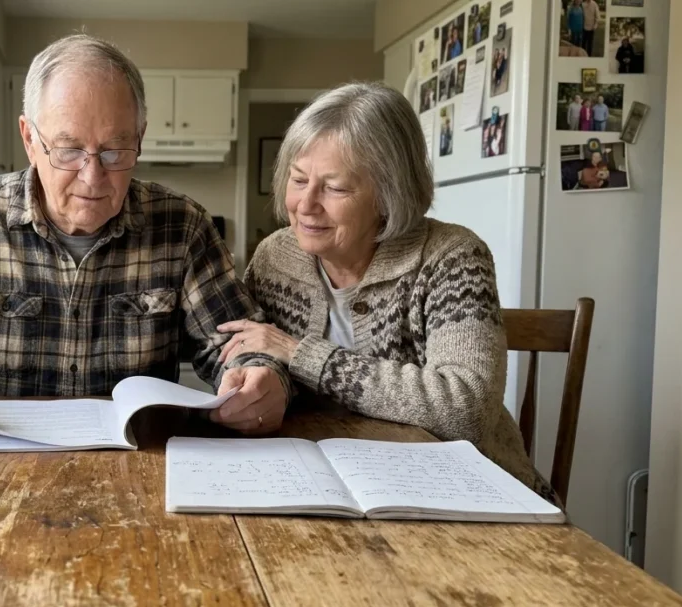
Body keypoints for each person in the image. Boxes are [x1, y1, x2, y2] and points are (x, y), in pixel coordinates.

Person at [0, 34, 291, 436]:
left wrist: (260, 377)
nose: (92, 176)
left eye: (115, 150)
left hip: (142, 465)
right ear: (29, 139)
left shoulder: (184, 226)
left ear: (140, 137)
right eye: (69, 149)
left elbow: (238, 343)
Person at [214, 82, 555, 501]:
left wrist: (301, 353)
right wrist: (265, 380)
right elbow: (266, 356)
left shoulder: (453, 257)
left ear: (389, 194)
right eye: (298, 179)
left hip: (464, 490)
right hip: (325, 484)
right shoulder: (276, 256)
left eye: (335, 188)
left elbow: (466, 410)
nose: (305, 204)